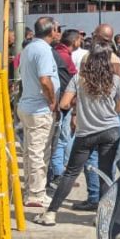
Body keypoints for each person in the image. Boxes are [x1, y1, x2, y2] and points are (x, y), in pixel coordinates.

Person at [33, 47, 120, 226]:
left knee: (71, 173)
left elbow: (64, 104)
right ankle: (102, 217)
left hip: (86, 133)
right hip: (110, 131)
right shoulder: (115, 80)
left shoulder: (78, 80)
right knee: (106, 174)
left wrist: (81, 103)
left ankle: (51, 213)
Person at [17, 17, 61, 208]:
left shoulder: (29, 48)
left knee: (30, 151)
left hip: (29, 106)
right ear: (51, 31)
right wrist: (52, 102)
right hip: (39, 108)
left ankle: (31, 189)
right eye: (58, 29)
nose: (59, 32)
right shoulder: (42, 50)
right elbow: (45, 80)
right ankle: (36, 194)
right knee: (39, 152)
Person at [48, 28, 79, 189]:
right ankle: (58, 174)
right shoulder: (64, 57)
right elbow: (71, 82)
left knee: (60, 139)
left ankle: (58, 172)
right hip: (62, 104)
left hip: (58, 103)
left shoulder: (56, 53)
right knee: (61, 140)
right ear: (75, 41)